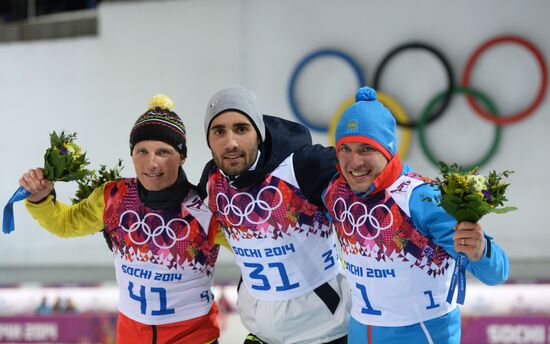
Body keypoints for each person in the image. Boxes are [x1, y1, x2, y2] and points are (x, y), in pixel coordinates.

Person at [19, 95, 222, 344]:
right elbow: (65, 223)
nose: (152, 162)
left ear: (182, 157)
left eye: (163, 152)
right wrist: (41, 199)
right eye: (141, 151)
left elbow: (255, 243)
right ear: (132, 154)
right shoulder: (114, 198)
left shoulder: (205, 208)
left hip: (194, 338)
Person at [322, 86, 510, 343]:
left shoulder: (421, 198)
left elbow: (497, 273)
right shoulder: (336, 192)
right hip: (360, 332)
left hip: (421, 334)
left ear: (388, 151)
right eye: (345, 149)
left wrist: (480, 250)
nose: (354, 162)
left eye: (366, 149)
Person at [199, 86, 350, 344]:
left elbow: (366, 169)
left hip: (324, 330)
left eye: (241, 128)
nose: (231, 142)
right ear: (209, 140)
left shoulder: (302, 167)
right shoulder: (212, 181)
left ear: (259, 134)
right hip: (262, 332)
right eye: (219, 131)